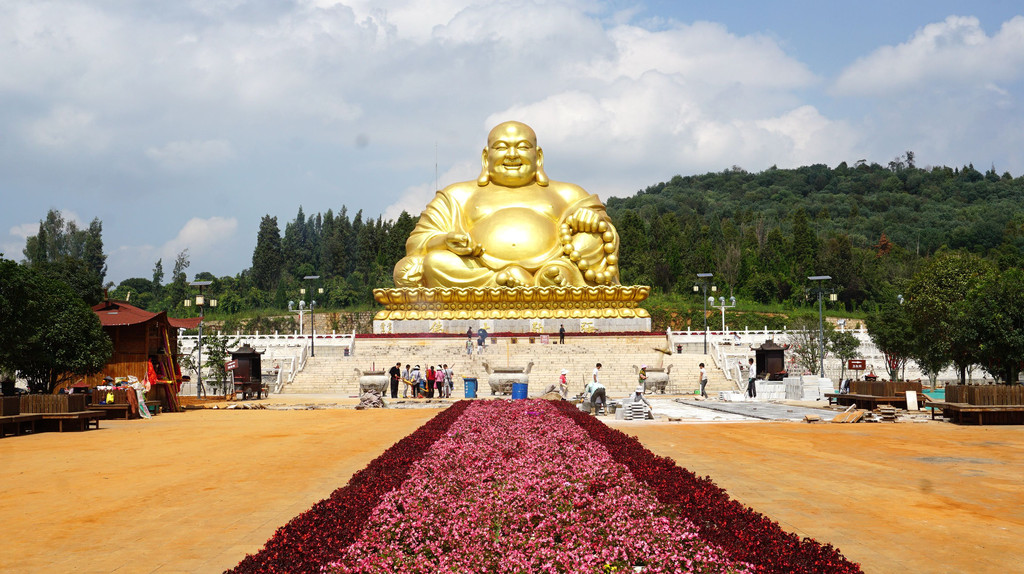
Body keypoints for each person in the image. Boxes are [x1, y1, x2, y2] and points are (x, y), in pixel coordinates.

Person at [392, 121, 620, 288]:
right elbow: (416, 245)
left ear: (538, 157)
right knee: (435, 262)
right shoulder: (458, 195)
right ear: (485, 157)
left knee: (591, 240)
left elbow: (606, 234)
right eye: (501, 147)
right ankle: (505, 281)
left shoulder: (568, 193)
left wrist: (590, 222)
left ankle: (553, 277)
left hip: (552, 263)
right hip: (480, 270)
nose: (512, 155)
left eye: (522, 147)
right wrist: (445, 240)